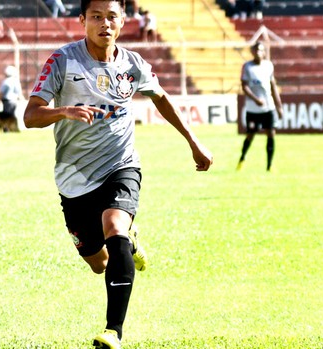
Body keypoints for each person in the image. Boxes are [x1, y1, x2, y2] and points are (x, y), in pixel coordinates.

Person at [23, 0, 214, 348]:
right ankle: (130, 242)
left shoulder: (133, 64)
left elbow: (161, 98)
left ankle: (113, 331)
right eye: (96, 17)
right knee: (99, 263)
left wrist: (193, 141)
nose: (104, 24)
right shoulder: (63, 60)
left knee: (115, 227)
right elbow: (30, 115)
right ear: (82, 20)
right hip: (74, 178)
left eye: (112, 17)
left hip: (120, 166)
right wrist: (64, 111)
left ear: (124, 21)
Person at [237, 41, 283, 172]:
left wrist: (279, 106)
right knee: (250, 135)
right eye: (256, 50)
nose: (258, 52)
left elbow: (273, 86)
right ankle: (242, 158)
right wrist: (256, 99)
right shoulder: (247, 67)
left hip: (269, 107)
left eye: (261, 50)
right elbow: (244, 86)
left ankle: (269, 165)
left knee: (271, 133)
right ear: (252, 52)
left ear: (264, 52)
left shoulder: (269, 66)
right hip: (253, 109)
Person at [0, 65, 24, 132]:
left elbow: (1, 92)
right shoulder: (16, 81)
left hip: (7, 102)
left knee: (6, 116)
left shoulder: (6, 81)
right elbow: (19, 93)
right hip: (14, 102)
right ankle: (13, 128)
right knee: (12, 116)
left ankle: (6, 129)